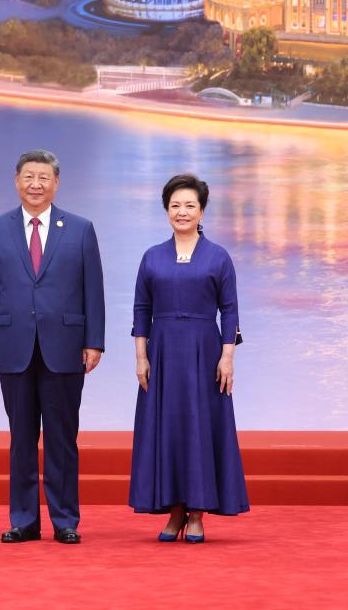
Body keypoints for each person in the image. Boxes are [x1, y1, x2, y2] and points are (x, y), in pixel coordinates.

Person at [0, 150, 106, 544]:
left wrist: (94, 342)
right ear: (17, 181)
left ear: (56, 183)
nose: (36, 184)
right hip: (12, 345)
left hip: (65, 346)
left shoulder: (80, 229)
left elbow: (93, 289)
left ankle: (65, 520)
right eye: (29, 177)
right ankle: (24, 520)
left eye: (44, 177)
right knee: (21, 438)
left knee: (62, 438)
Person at [129, 173, 249, 542]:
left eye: (189, 205)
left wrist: (227, 357)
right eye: (175, 205)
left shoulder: (218, 256)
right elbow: (141, 309)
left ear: (202, 211)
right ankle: (174, 511)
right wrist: (141, 357)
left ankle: (196, 512)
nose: (182, 212)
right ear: (166, 210)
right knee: (167, 427)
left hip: (204, 351)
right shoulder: (152, 256)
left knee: (200, 426)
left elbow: (230, 310)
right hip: (162, 351)